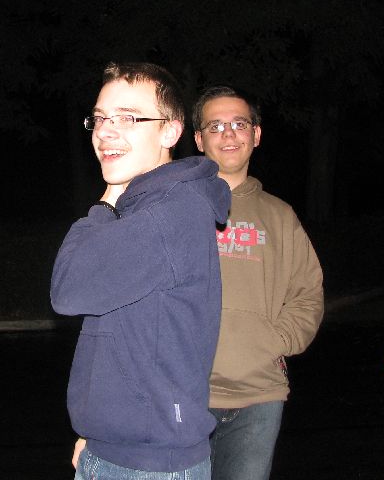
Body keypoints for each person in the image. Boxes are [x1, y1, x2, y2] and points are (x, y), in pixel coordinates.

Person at [50, 62, 231, 479]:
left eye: (128, 118)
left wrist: (105, 202)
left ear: (170, 132)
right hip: (116, 447)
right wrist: (98, 432)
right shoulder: (146, 210)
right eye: (100, 118)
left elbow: (69, 288)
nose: (105, 132)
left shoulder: (172, 213)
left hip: (149, 464)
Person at [192, 85, 324, 480]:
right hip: (184, 395)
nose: (229, 134)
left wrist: (273, 341)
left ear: (256, 134)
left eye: (239, 124)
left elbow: (307, 294)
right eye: (215, 126)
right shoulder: (179, 208)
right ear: (199, 140)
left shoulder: (280, 216)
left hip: (259, 398)